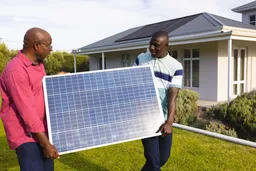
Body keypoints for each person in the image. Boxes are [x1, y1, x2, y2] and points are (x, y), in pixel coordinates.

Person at [0, 27, 59, 171]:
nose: (51, 49)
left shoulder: (38, 64)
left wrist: (57, 80)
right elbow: (27, 111)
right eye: (49, 45)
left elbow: (38, 90)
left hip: (41, 129)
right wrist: (46, 143)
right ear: (37, 46)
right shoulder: (16, 70)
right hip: (25, 135)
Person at [134, 31, 183, 171]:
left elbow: (172, 98)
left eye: (156, 45)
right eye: (150, 44)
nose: (152, 48)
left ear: (166, 45)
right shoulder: (140, 59)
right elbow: (132, 85)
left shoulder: (176, 67)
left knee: (162, 158)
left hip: (163, 118)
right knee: (153, 161)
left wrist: (169, 122)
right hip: (145, 116)